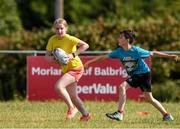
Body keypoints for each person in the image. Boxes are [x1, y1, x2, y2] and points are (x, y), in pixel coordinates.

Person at [84, 29, 179, 121]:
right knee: (147, 97)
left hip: (144, 74)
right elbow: (103, 57)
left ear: (127, 40)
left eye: (121, 37)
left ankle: (120, 113)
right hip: (137, 75)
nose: (118, 39)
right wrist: (89, 62)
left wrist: (170, 56)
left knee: (127, 89)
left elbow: (153, 53)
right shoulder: (119, 51)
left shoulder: (136, 50)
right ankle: (167, 116)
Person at [45, 18, 90, 121]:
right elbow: (46, 56)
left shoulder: (70, 38)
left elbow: (85, 45)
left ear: (66, 28)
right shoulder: (52, 40)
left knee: (58, 86)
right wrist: (57, 59)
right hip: (67, 69)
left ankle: (71, 108)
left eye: (61, 28)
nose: (59, 31)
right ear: (54, 29)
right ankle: (86, 115)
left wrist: (72, 55)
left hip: (76, 68)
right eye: (57, 29)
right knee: (73, 96)